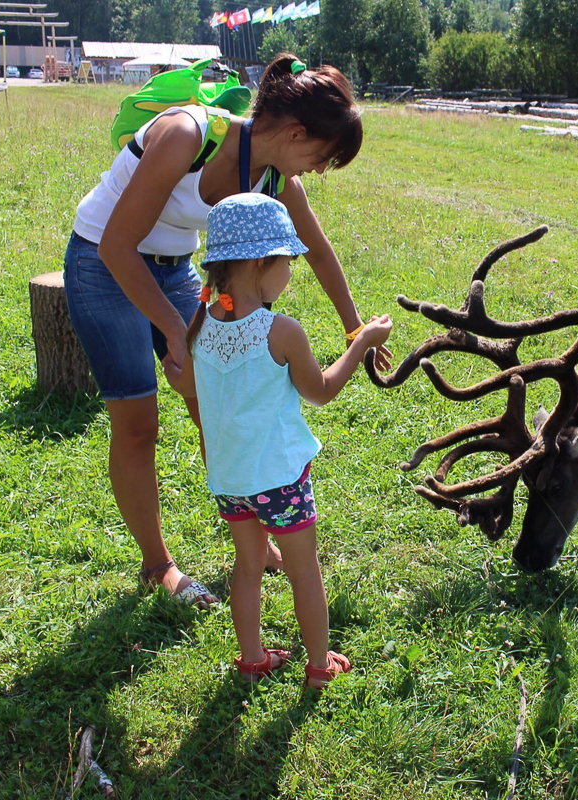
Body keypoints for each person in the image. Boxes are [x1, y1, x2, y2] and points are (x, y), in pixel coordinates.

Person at [63, 52, 389, 607]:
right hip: (103, 263)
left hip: (175, 269)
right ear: (295, 132)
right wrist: (175, 330)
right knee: (138, 424)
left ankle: (254, 542)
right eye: (321, 157)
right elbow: (118, 246)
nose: (316, 170)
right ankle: (158, 565)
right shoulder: (187, 135)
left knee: (215, 408)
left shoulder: (273, 176)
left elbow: (316, 249)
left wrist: (353, 325)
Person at [163, 192, 392, 687]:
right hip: (280, 481)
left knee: (248, 568)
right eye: (288, 261)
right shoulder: (281, 331)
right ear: (259, 263)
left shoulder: (201, 325)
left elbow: (186, 385)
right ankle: (319, 667)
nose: (291, 271)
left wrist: (170, 367)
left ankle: (252, 661)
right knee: (304, 571)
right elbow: (321, 392)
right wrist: (361, 343)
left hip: (230, 480)